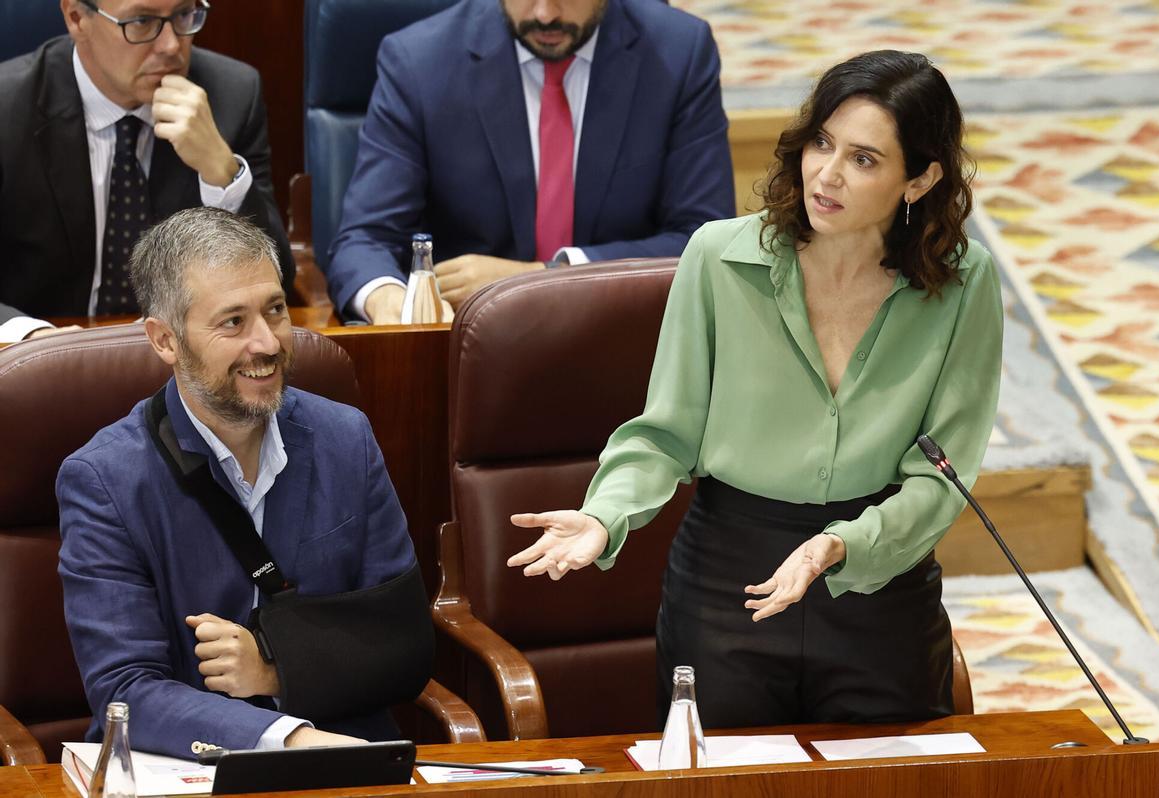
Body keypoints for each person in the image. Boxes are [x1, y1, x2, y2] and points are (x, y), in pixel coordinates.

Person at [508, 50, 1003, 728]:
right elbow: (666, 433)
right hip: (726, 584)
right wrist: (605, 515)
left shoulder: (963, 282)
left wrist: (840, 545)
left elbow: (943, 474)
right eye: (821, 143)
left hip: (877, 582)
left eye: (864, 159)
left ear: (920, 180)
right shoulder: (718, 257)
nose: (826, 174)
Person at [57, 208, 429, 758]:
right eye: (232, 322)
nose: (267, 343)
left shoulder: (345, 438)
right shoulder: (105, 480)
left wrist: (276, 669)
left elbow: (404, 648)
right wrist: (287, 737)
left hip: (349, 761)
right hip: (185, 767)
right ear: (166, 340)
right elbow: (125, 690)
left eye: (275, 310)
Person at [323, 0, 734, 320]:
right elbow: (365, 239)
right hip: (467, 355)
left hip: (626, 344)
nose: (545, 13)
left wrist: (543, 277)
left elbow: (702, 237)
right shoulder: (418, 62)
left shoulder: (678, 54)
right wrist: (394, 303)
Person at [0, 0, 294, 343]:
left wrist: (221, 170)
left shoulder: (232, 95)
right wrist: (30, 336)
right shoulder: (8, 107)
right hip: (35, 366)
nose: (171, 45)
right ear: (77, 18)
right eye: (141, 22)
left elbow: (278, 280)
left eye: (184, 14)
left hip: (181, 365)